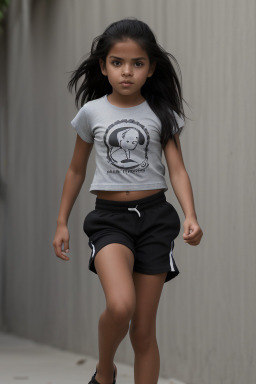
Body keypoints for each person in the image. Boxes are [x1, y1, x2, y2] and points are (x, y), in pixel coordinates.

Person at [53, 18, 203, 384]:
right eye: (117, 62)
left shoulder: (162, 114)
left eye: (137, 63)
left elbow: (177, 170)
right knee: (121, 305)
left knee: (143, 332)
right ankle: (105, 373)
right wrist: (61, 222)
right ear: (103, 66)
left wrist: (190, 215)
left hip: (155, 219)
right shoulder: (92, 113)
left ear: (151, 68)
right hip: (110, 220)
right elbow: (76, 170)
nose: (127, 72)